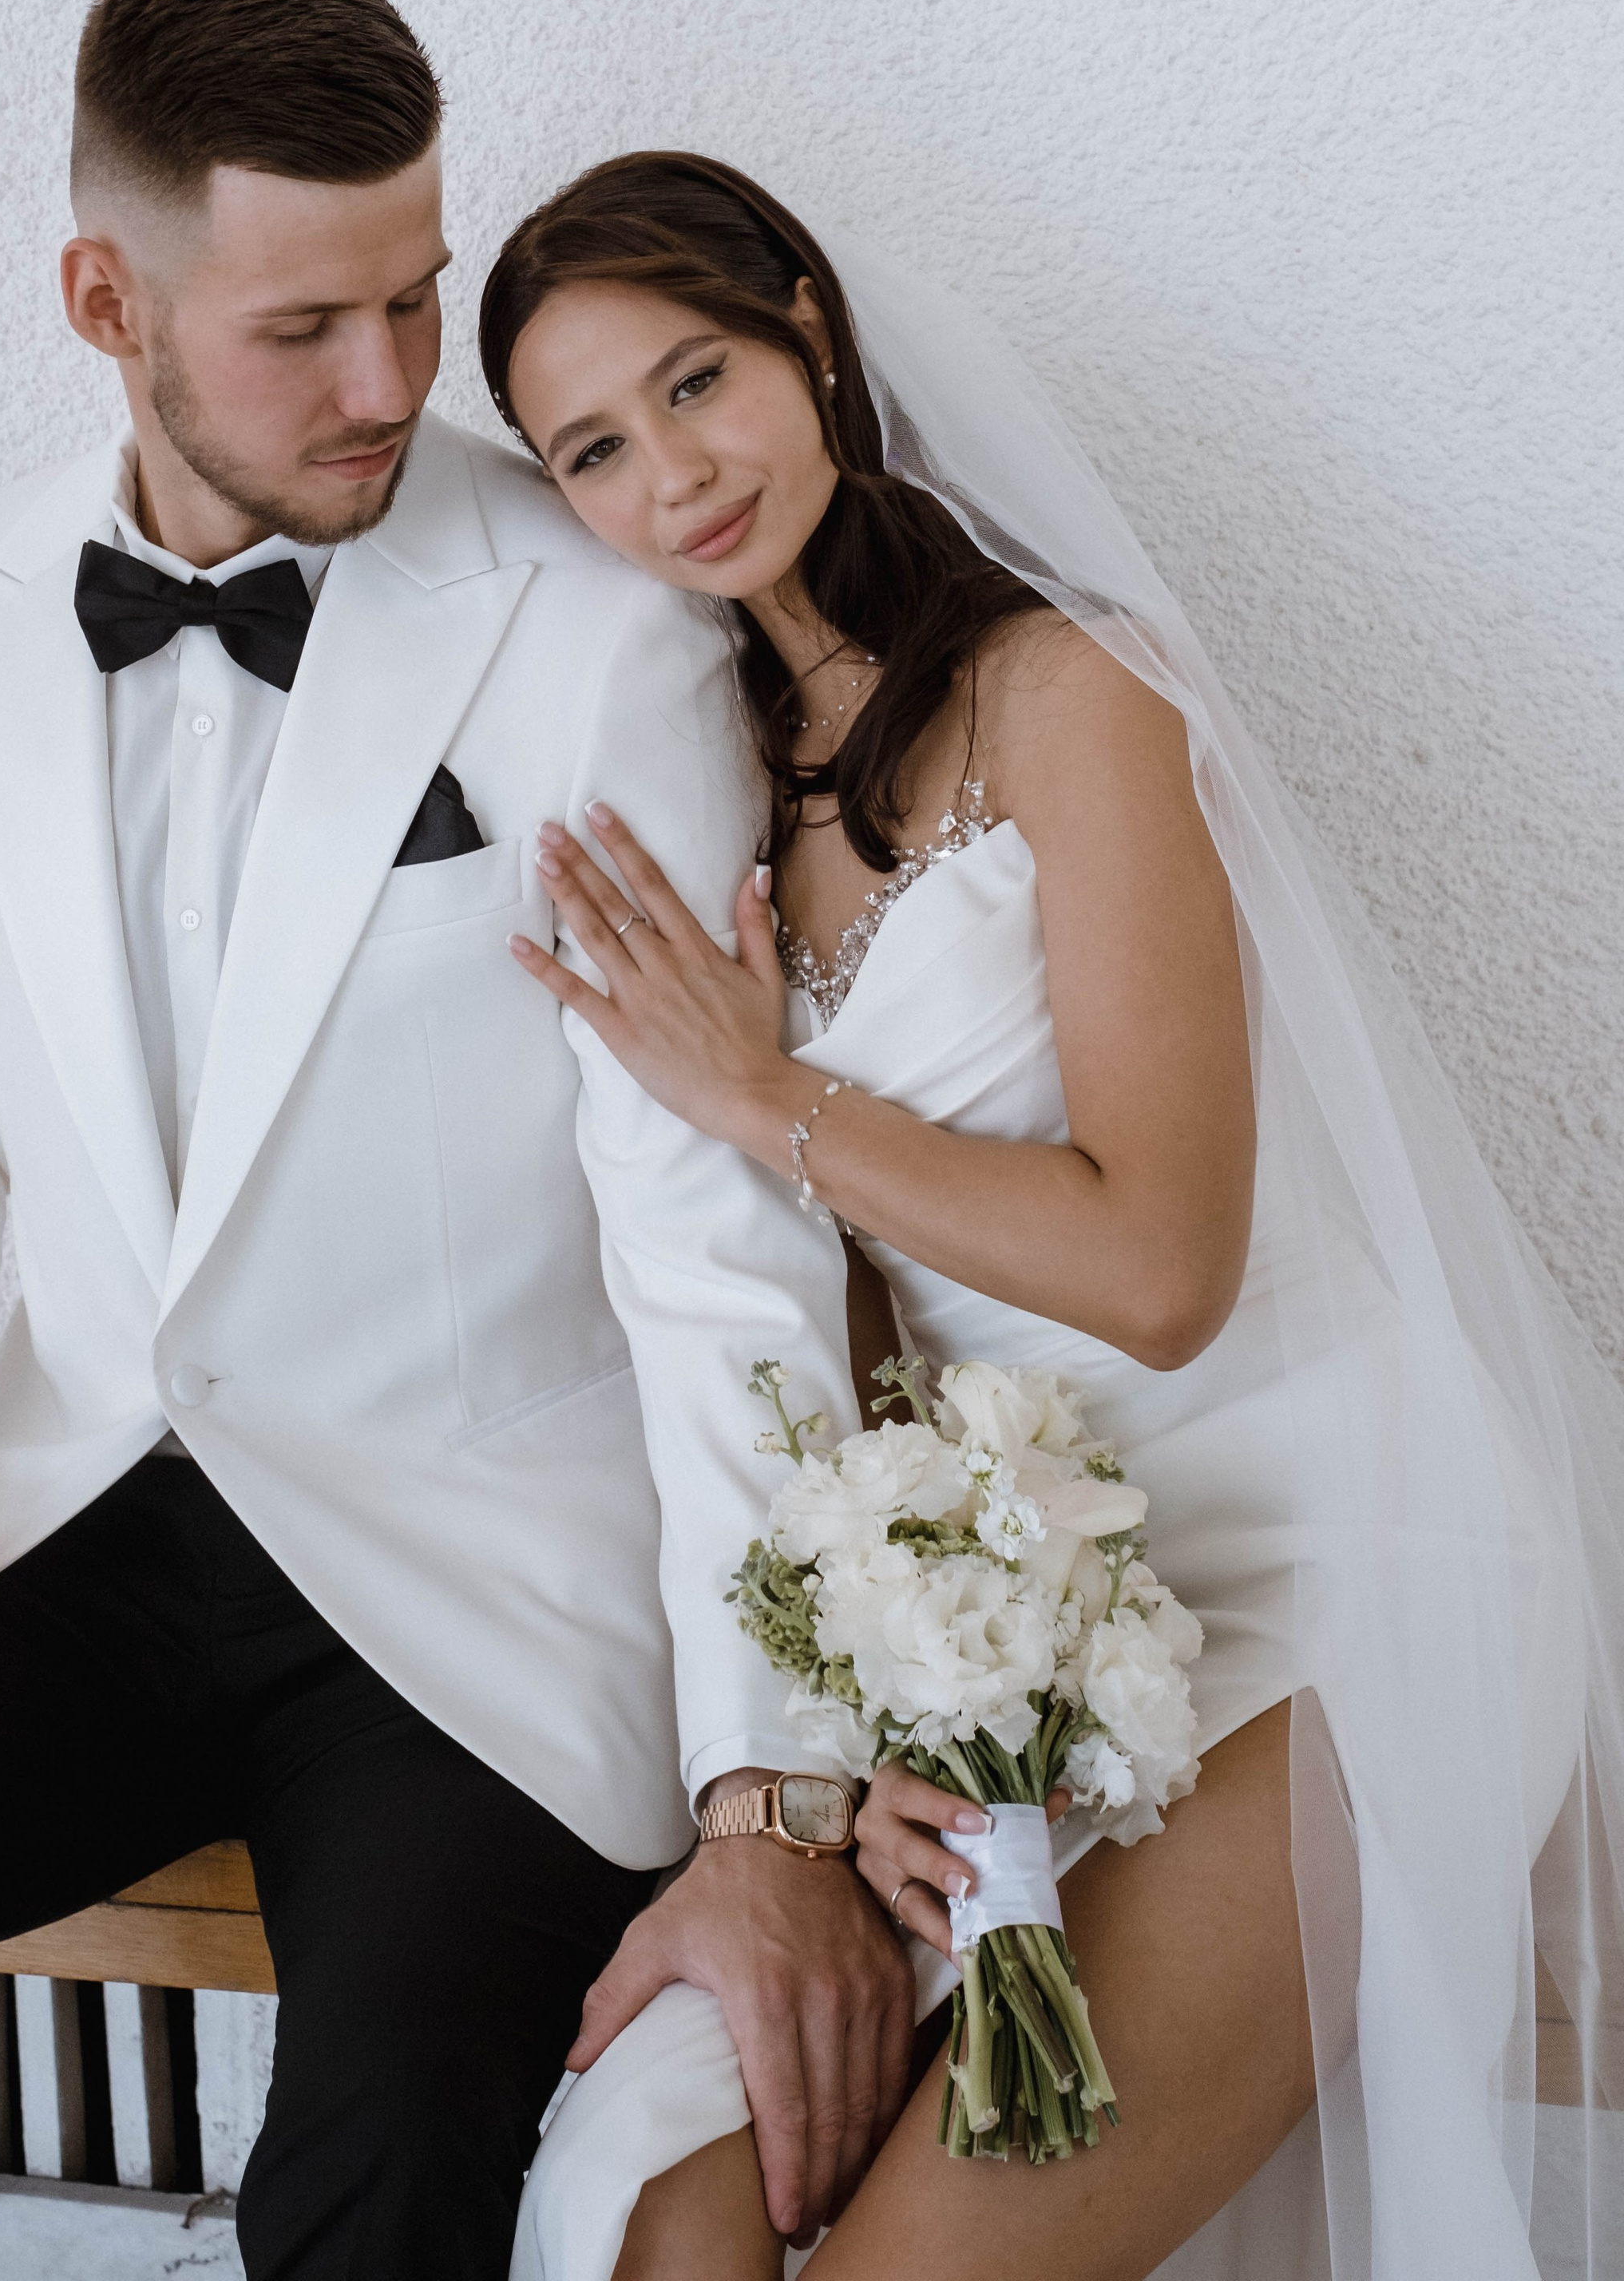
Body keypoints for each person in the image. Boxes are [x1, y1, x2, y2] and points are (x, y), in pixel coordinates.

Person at [0, 0, 904, 2281]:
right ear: (107, 299)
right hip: (75, 1530)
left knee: (377, 2187)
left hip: (475, 1586)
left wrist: (772, 1797)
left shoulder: (594, 617)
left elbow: (712, 1229)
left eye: (413, 297)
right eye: (306, 327)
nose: (391, 383)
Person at [477, 152, 1624, 2281]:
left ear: (810, 332)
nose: (674, 475)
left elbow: (1163, 1270)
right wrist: (890, 1720)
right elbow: (847, 1333)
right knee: (661, 2202)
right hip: (1032, 1617)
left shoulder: (1075, 691)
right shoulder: (717, 788)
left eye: (699, 380)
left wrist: (765, 1095)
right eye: (594, 451)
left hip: (1343, 1564)